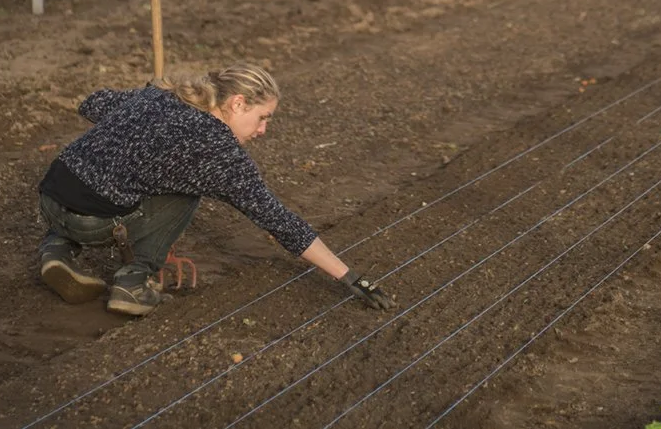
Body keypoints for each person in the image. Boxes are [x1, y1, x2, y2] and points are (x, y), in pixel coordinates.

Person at [35, 61, 396, 316]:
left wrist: (144, 104)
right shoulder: (218, 152)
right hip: (96, 220)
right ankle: (135, 279)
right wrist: (350, 277)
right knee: (188, 192)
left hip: (50, 197)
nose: (263, 130)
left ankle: (57, 248)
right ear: (237, 103)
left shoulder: (163, 95)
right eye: (262, 118)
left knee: (121, 175)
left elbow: (93, 103)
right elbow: (277, 220)